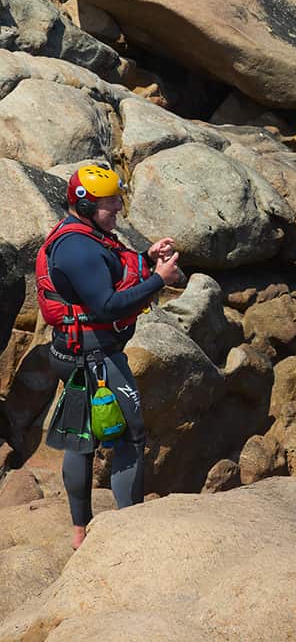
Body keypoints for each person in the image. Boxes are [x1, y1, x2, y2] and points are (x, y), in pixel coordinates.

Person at [37, 164, 181, 549]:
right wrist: (159, 281)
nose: (118, 207)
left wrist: (147, 260)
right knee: (130, 437)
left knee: (80, 438)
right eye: (110, 202)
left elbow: (110, 273)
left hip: (76, 352)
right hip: (96, 358)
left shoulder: (84, 236)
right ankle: (129, 525)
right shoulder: (80, 249)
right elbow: (107, 306)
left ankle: (80, 532)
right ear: (85, 206)